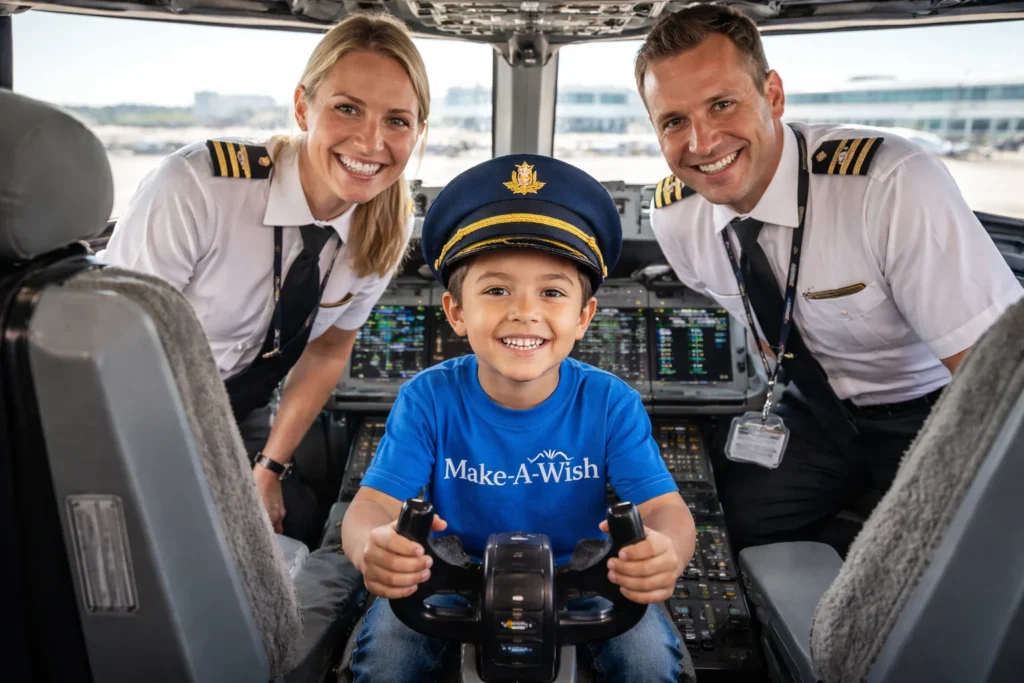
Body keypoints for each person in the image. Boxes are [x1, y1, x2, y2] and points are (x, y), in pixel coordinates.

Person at [635, 4, 1024, 553]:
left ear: (772, 95)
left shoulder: (888, 185)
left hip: (934, 410)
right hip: (816, 410)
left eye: (722, 104)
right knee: (729, 524)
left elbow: (996, 378)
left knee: (940, 554)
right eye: (674, 121)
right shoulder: (676, 216)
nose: (701, 142)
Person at [340, 154, 695, 682]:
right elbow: (372, 506)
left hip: (583, 577)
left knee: (648, 664)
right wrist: (373, 547)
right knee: (386, 663)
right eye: (496, 290)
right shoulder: (427, 399)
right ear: (457, 312)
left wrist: (665, 554)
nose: (524, 312)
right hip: (450, 574)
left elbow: (666, 510)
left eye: (552, 292)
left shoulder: (610, 403)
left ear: (583, 316)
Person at [101, 12, 428, 545]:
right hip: (140, 405)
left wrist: (268, 468)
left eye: (397, 120)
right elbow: (115, 349)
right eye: (347, 108)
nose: (372, 142)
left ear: (417, 132)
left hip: (244, 405)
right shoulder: (199, 187)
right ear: (302, 107)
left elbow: (326, 352)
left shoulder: (386, 226)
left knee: (295, 522)